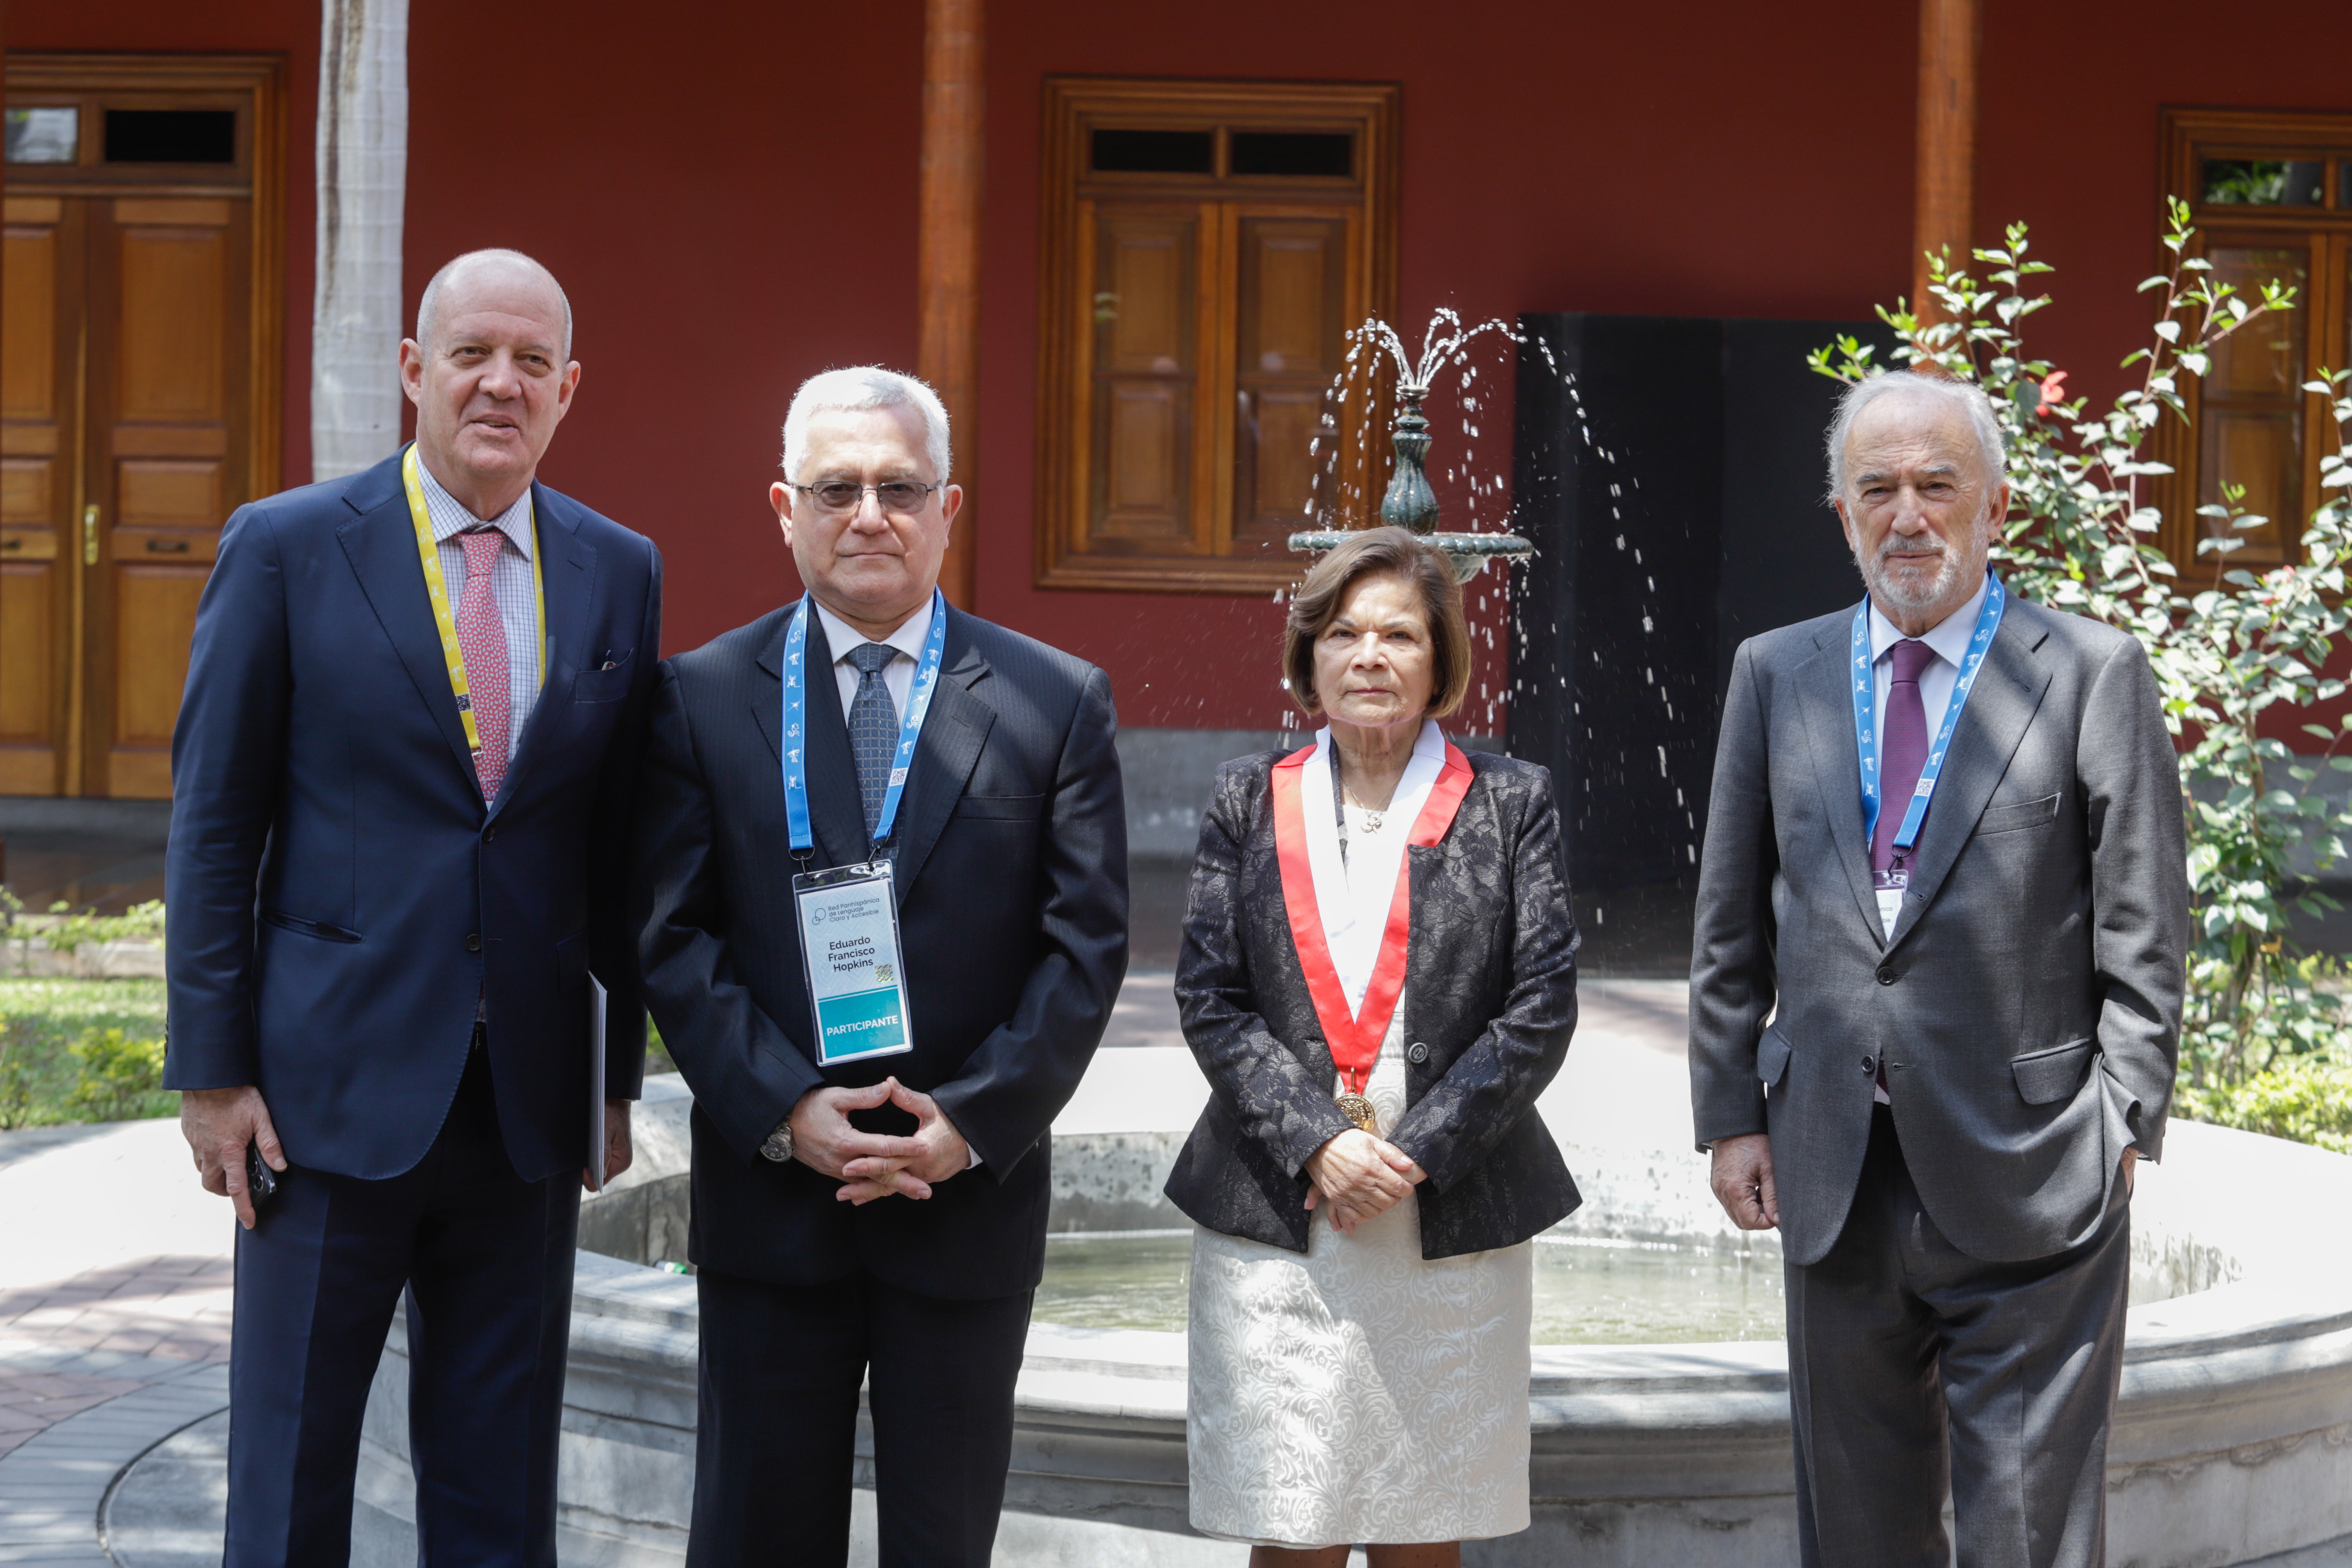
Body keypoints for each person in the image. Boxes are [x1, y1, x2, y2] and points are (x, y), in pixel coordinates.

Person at [164, 248, 662, 1565]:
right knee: (290, 1473)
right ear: (412, 373)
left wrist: (612, 1081)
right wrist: (212, 1075)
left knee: (499, 1484)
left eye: (532, 364)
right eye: (471, 356)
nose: (501, 385)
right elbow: (216, 828)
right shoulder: (284, 549)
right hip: (324, 1098)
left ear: (569, 390)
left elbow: (613, 847)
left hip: (525, 1108)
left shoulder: (620, 571)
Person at [1689, 370, 2189, 1567]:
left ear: (1997, 508)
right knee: (1858, 1538)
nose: (1907, 516)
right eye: (1878, 491)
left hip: (2032, 1178)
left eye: (1936, 486)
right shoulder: (1776, 672)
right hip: (1831, 1169)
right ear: (1841, 513)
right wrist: (1729, 1117)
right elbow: (1728, 926)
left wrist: (2122, 1118)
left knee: (2029, 1537)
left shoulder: (2090, 672)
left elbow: (2146, 924)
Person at [634, 365, 1128, 1568]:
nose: (869, 514)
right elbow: (672, 935)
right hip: (772, 1206)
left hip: (961, 1203)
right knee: (752, 1541)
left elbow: (1086, 950)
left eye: (899, 487)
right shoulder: (699, 698)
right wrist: (783, 1108)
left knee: (941, 1546)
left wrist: (967, 1123)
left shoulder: (1053, 702)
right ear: (784, 508)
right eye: (837, 486)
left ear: (948, 508)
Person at [1163, 525, 1581, 1567]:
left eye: (1400, 634)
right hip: (1282, 1201)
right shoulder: (1248, 799)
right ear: (1308, 657)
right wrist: (1320, 1142)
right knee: (1293, 1518)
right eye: (1343, 633)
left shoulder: (1510, 801)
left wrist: (1417, 1150)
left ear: (1440, 660)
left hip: (1446, 1199)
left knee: (1419, 1524)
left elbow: (1541, 1005)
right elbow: (1210, 998)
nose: (1370, 656)